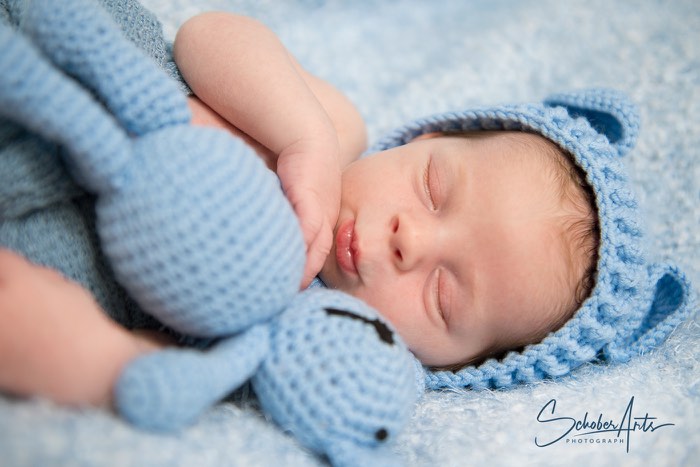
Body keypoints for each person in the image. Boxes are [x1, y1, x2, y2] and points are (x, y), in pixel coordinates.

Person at [0, 12, 599, 404]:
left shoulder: (298, 344)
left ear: (450, 365)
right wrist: (299, 137)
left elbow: (182, 375)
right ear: (423, 140)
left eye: (443, 295)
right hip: (67, 69)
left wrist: (101, 361)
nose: (408, 240)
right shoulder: (331, 132)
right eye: (433, 189)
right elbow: (206, 35)